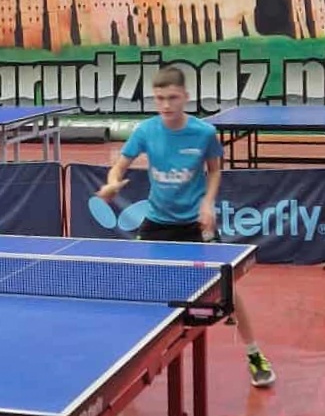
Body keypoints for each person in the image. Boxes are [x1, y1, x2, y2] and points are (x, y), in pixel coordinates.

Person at [97, 63, 275, 387]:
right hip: (156, 222)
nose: (166, 105)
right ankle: (121, 360)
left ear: (185, 97)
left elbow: (215, 170)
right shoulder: (146, 131)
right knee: (132, 286)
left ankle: (254, 354)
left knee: (229, 289)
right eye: (160, 98)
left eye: (172, 97)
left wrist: (207, 202)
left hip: (194, 224)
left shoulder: (204, 133)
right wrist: (111, 183)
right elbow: (119, 166)